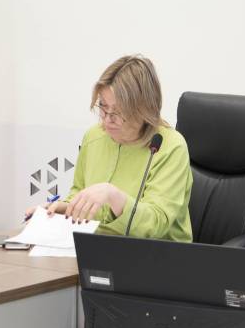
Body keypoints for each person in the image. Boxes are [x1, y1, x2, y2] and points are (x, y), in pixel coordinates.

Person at [46, 55, 193, 242]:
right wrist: (61, 209)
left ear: (144, 109)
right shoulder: (94, 136)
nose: (107, 119)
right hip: (97, 247)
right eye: (103, 106)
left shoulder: (170, 146)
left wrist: (114, 196)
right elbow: (79, 191)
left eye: (118, 111)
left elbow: (155, 225)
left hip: (158, 254)